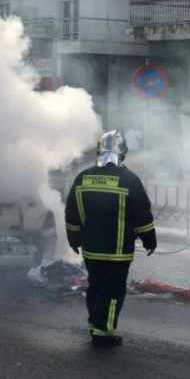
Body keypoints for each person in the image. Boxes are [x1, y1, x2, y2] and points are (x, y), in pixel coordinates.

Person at [65, 130, 157, 347]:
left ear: (99, 150)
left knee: (95, 286)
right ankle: (104, 333)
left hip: (91, 249)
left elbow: (72, 213)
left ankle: (95, 324)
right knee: (113, 289)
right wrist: (149, 240)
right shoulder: (129, 180)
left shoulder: (83, 177)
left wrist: (74, 239)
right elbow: (143, 214)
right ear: (123, 153)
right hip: (118, 251)